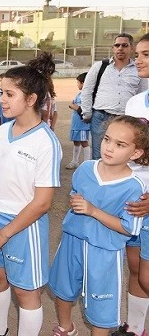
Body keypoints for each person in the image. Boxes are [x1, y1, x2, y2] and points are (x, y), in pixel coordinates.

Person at [0, 52, 62, 336]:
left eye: (9, 94)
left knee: (26, 293)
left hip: (24, 226)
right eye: (1, 92)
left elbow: (43, 202)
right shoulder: (2, 131)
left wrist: (6, 232)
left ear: (31, 99)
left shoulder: (46, 142)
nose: (2, 99)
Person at [49, 115, 147, 336]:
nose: (109, 148)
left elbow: (128, 228)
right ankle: (66, 328)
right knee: (63, 290)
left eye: (120, 145)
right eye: (107, 139)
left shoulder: (134, 187)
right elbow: (76, 197)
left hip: (104, 253)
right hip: (72, 242)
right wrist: (78, 204)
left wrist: (93, 210)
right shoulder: (85, 168)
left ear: (135, 153)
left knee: (101, 307)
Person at [116, 33, 149, 336]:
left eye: (146, 54)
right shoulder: (136, 101)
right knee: (135, 267)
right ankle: (135, 328)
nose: (138, 59)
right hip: (134, 196)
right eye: (138, 54)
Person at [80, 33, 147, 160]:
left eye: (124, 45)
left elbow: (142, 95)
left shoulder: (138, 69)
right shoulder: (100, 66)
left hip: (125, 119)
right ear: (113, 48)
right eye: (117, 45)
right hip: (100, 117)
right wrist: (87, 112)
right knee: (98, 154)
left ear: (131, 48)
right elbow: (87, 90)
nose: (120, 48)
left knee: (123, 156)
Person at [65, 72, 91, 170]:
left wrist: (73, 106)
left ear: (83, 83)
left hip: (82, 124)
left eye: (78, 83)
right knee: (76, 141)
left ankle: (86, 163)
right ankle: (75, 161)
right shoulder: (80, 94)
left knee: (84, 142)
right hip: (76, 124)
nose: (77, 85)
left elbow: (83, 109)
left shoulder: (86, 95)